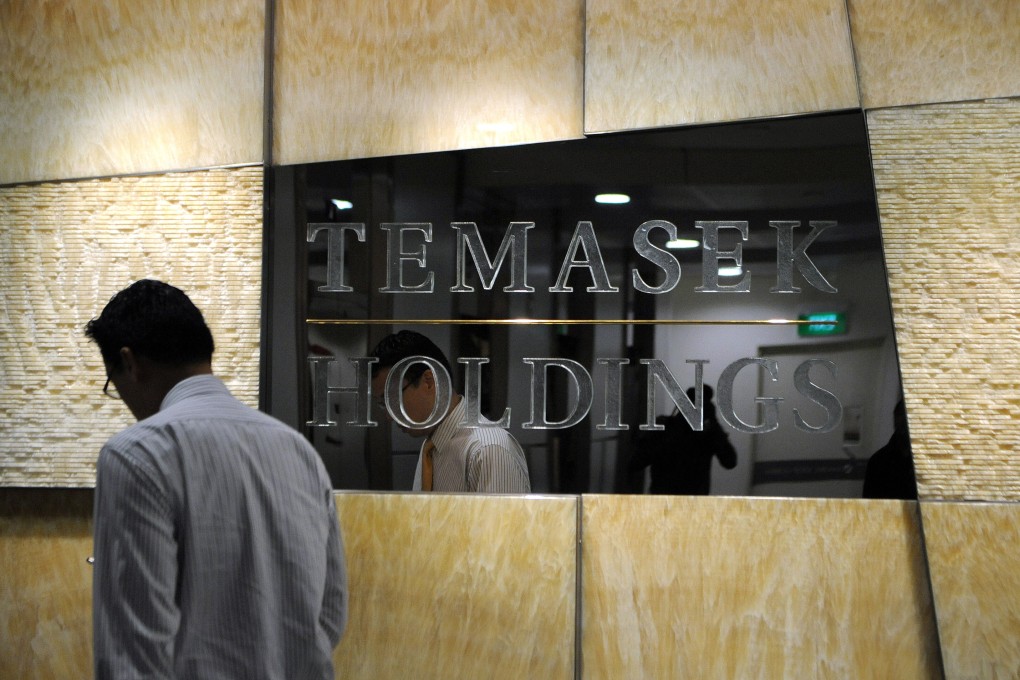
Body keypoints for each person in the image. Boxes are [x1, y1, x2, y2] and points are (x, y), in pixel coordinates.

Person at [85, 279, 347, 679]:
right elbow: (329, 615)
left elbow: (132, 653)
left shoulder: (137, 454)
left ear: (130, 362)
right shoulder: (298, 450)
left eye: (112, 383)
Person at [370, 330, 531, 493]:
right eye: (383, 403)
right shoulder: (431, 447)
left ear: (429, 382)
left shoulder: (489, 450)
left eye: (391, 399)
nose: (389, 416)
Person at [631, 385, 737, 495]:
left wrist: (713, 426)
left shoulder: (707, 434)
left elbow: (730, 461)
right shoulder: (666, 428)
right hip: (668, 501)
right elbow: (636, 462)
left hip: (687, 503)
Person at [863, 399, 917, 500]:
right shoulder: (878, 462)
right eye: (902, 416)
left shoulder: (927, 462)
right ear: (895, 419)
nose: (905, 423)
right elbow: (870, 505)